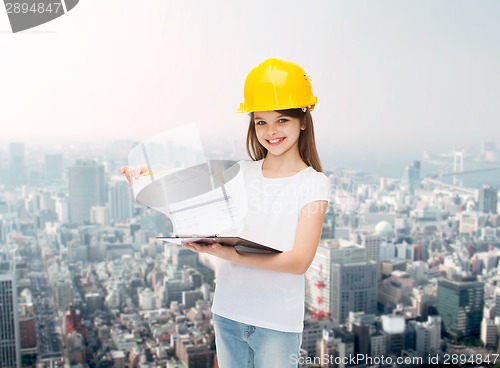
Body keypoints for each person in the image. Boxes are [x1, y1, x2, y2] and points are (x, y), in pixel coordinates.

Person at [120, 57, 329, 367]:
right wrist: (143, 175)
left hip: (277, 324)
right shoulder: (240, 173)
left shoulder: (314, 184)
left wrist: (233, 256)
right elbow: (181, 181)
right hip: (228, 313)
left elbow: (299, 262)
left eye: (281, 120)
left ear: (303, 119)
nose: (270, 131)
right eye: (261, 121)